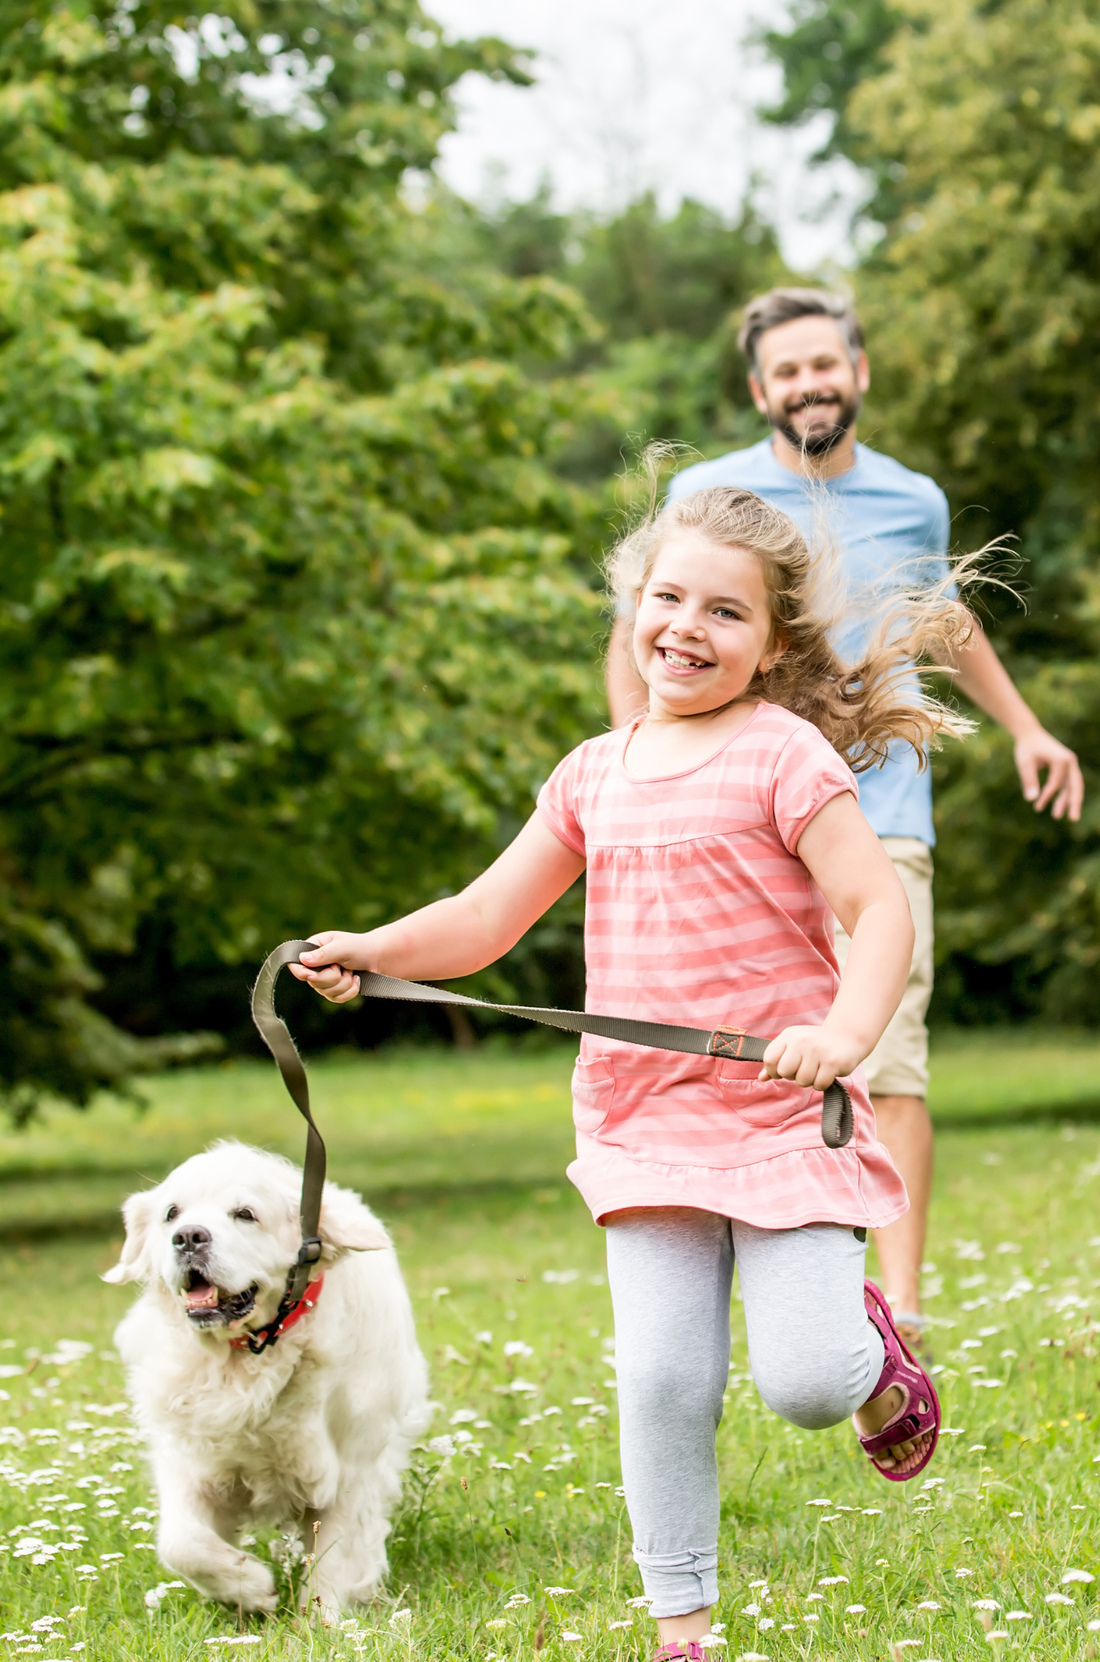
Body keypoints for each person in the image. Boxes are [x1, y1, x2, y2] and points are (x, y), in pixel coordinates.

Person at [299, 486, 967, 1662]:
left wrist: (848, 1033)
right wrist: (373, 949)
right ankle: (684, 1631)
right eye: (667, 598)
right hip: (642, 1118)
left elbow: (874, 906)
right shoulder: (592, 774)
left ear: (771, 644)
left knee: (804, 1382)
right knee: (661, 1380)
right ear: (631, 609)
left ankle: (871, 1359)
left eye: (725, 611)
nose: (687, 628)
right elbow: (483, 918)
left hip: (777, 1110)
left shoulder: (783, 751)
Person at [608, 287, 1084, 1350]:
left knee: (887, 1047)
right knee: (739, 1050)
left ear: (858, 372)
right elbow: (637, 633)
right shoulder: (704, 494)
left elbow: (939, 620)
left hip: (878, 815)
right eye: (786, 371)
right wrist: (636, 771)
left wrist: (1025, 728)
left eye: (825, 364)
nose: (808, 384)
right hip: (730, 831)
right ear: (757, 390)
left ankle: (898, 1304)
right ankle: (760, 1281)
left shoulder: (914, 501)